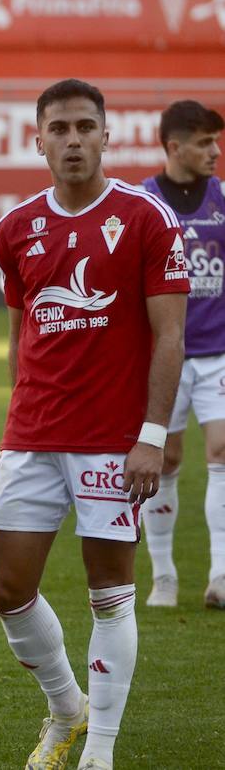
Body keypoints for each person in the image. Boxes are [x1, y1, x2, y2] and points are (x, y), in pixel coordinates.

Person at [0, 79, 188, 770]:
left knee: (109, 593)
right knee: (7, 590)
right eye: (59, 129)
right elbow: (21, 335)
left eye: (84, 127)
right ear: (37, 139)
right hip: (33, 436)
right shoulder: (15, 228)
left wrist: (152, 437)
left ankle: (99, 748)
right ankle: (66, 705)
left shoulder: (146, 218)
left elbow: (170, 338)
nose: (72, 140)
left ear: (107, 135)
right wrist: (23, 408)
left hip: (114, 441)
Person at [138, 100, 225, 609]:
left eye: (216, 141)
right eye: (204, 142)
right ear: (174, 146)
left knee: (220, 452)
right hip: (164, 358)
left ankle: (219, 574)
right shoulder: (146, 204)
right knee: (165, 460)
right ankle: (164, 576)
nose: (215, 152)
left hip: (218, 354)